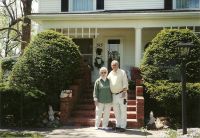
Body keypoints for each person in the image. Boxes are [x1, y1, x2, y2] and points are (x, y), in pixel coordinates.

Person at [107, 60, 129, 132]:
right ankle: (118, 125)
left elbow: (125, 82)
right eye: (112, 65)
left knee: (123, 110)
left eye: (115, 65)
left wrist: (124, 92)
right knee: (116, 111)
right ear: (111, 66)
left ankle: (123, 126)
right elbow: (107, 83)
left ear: (118, 65)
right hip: (113, 95)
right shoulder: (110, 73)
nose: (114, 66)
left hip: (121, 94)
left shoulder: (122, 72)